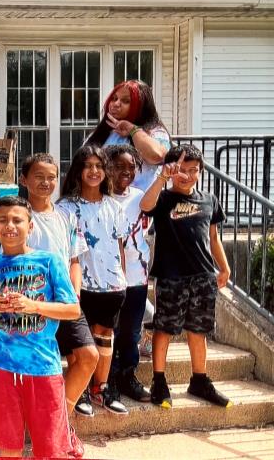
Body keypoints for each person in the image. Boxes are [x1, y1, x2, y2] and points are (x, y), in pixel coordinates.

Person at [0, 196, 80, 458]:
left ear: (30, 226)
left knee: (50, 448)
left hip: (43, 366)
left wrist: (33, 306)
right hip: (0, 367)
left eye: (17, 219)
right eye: (2, 220)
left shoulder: (50, 262)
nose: (10, 225)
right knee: (8, 446)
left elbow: (72, 310)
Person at [140, 144, 232, 409]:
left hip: (203, 276)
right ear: (171, 170)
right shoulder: (164, 198)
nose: (187, 176)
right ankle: (159, 381)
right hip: (171, 277)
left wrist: (223, 267)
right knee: (164, 329)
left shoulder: (208, 200)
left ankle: (199, 380)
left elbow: (213, 238)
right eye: (181, 170)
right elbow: (146, 206)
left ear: (200, 171)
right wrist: (162, 178)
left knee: (198, 330)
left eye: (193, 170)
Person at [19, 153, 97, 456]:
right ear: (24, 180)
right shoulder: (18, 214)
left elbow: (74, 259)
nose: (46, 182)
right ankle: (53, 427)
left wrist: (74, 293)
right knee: (39, 370)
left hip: (65, 302)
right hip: (33, 305)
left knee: (88, 356)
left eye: (51, 176)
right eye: (39, 176)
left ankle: (58, 422)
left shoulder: (66, 214)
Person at [58, 145, 130, 416]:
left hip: (112, 285)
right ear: (78, 170)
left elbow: (120, 245)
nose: (94, 171)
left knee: (105, 336)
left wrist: (122, 278)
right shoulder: (65, 207)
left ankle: (103, 387)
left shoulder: (114, 206)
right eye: (88, 165)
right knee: (81, 342)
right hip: (80, 285)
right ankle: (83, 389)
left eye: (99, 166)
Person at [105, 145, 154, 404]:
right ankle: (108, 379)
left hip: (137, 275)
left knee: (131, 331)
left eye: (130, 167)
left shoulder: (142, 197)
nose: (125, 172)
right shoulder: (101, 199)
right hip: (107, 279)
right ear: (107, 168)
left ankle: (128, 375)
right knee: (108, 330)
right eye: (118, 166)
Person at [86, 79, 171, 191]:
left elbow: (157, 156)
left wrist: (132, 130)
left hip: (140, 204)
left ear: (141, 107)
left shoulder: (155, 132)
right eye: (114, 98)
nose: (116, 104)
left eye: (126, 101)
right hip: (103, 203)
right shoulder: (101, 133)